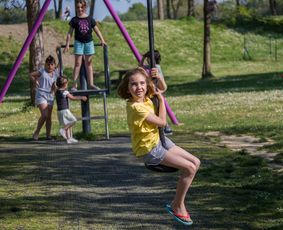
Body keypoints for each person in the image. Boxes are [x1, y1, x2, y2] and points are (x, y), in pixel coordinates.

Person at [117, 67, 200, 226]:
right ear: (128, 88)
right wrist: (161, 100)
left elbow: (162, 88)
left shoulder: (145, 96)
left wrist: (158, 76)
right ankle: (177, 205)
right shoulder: (136, 107)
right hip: (149, 149)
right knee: (189, 168)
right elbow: (162, 122)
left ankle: (177, 203)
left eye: (142, 83)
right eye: (134, 84)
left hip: (159, 139)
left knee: (196, 163)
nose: (139, 87)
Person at [63, 0, 106, 91]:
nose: (80, 9)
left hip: (89, 43)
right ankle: (74, 86)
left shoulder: (90, 19)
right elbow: (69, 33)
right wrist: (67, 45)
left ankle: (91, 84)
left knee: (89, 64)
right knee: (77, 64)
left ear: (85, 7)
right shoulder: (74, 20)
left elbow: (97, 30)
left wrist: (102, 40)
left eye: (81, 7)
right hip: (78, 43)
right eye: (78, 7)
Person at [140, 50, 173, 135]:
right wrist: (143, 57)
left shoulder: (156, 67)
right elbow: (140, 67)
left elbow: (161, 81)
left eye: (148, 58)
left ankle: (166, 127)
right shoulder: (149, 67)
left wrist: (160, 91)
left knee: (159, 110)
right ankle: (162, 127)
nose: (147, 60)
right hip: (153, 92)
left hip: (157, 92)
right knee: (156, 110)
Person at [29, 55, 60, 141]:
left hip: (50, 96)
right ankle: (36, 132)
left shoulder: (56, 73)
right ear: (45, 64)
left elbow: (60, 62)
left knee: (49, 117)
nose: (50, 66)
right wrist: (35, 81)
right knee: (44, 115)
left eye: (52, 64)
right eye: (48, 64)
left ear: (54, 65)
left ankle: (48, 135)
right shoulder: (42, 71)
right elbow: (31, 74)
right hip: (41, 94)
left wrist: (59, 52)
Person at [52, 76, 87, 144]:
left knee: (67, 123)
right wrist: (81, 97)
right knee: (73, 120)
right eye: (67, 83)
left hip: (59, 111)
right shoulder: (65, 91)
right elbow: (72, 98)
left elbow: (55, 87)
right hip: (65, 110)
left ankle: (69, 139)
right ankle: (63, 130)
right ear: (65, 84)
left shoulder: (57, 90)